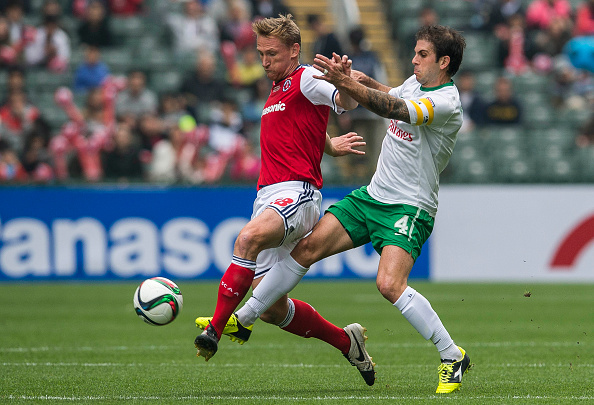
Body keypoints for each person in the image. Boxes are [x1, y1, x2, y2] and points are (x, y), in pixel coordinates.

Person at [200, 24, 472, 394]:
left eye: (422, 55)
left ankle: (451, 355)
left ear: (444, 62)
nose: (414, 59)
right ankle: (241, 318)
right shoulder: (415, 84)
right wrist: (357, 78)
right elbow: (388, 92)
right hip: (372, 196)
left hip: (409, 206)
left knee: (389, 284)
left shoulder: (446, 102)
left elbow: (393, 108)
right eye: (414, 52)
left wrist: (349, 86)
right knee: (305, 250)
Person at [193, 14, 376, 386]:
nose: (264, 61)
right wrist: (329, 145)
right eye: (260, 53)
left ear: (294, 50)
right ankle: (347, 342)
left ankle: (216, 329)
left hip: (297, 194)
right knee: (273, 309)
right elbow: (301, 127)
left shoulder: (306, 77)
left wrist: (342, 85)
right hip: (269, 197)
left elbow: (341, 99)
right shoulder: (279, 87)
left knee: (246, 239)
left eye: (272, 53)